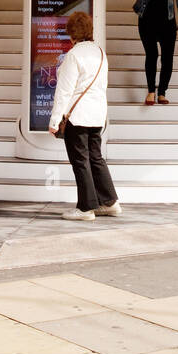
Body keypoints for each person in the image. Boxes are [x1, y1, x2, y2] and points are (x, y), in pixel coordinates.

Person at [48, 11, 118, 221]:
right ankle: (110, 202)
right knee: (96, 158)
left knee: (80, 161)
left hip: (77, 117)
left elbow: (64, 91)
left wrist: (54, 121)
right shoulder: (100, 53)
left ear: (72, 34)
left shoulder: (73, 55)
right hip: (97, 115)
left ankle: (86, 208)